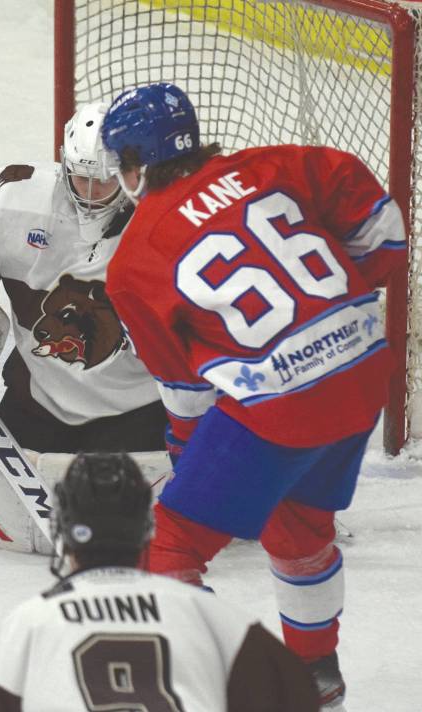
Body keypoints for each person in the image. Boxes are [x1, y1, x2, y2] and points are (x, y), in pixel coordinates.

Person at [99, 82, 407, 710]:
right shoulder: (276, 163)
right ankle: (317, 675)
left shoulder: (133, 261)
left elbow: (184, 391)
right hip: (365, 370)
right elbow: (383, 226)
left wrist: (191, 456)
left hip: (279, 407)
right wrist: (338, 306)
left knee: (166, 549)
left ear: (135, 165)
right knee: (299, 528)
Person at [0, 452, 320, 711]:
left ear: (65, 536)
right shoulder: (207, 615)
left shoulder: (27, 623)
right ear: (146, 531)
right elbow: (298, 695)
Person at [0, 102, 164, 453]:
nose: (90, 194)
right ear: (63, 162)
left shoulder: (163, 224)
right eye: (81, 178)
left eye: (103, 182)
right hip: (38, 402)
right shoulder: (13, 198)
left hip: (136, 409)